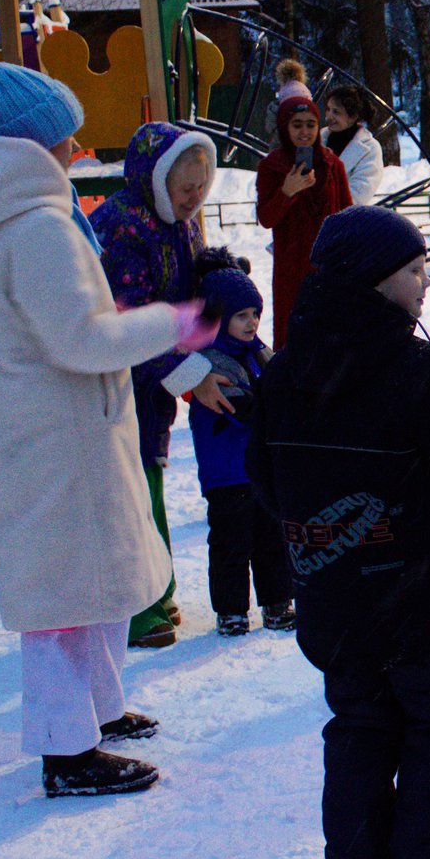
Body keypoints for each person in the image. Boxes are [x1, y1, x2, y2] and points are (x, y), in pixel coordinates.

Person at [0, 63, 216, 797]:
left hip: (53, 434)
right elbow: (81, 339)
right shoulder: (36, 227)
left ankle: (98, 711)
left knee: (94, 582)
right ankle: (66, 749)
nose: (79, 144)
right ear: (39, 144)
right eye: (67, 132)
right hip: (60, 438)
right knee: (62, 597)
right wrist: (170, 325)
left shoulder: (7, 218)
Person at [247, 206, 430, 859]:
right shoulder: (416, 365)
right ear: (372, 279)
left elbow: (264, 477)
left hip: (332, 594)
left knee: (358, 724)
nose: (426, 283)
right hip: (416, 596)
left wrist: (325, 529)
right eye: (414, 269)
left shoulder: (284, 370)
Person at [91, 121, 223, 648]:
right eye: (186, 188)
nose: (195, 198)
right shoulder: (123, 226)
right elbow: (134, 317)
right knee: (133, 488)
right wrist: (192, 375)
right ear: (155, 179)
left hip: (154, 384)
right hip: (117, 380)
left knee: (151, 479)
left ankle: (156, 589)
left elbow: (185, 290)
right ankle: (137, 604)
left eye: (202, 188)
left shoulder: (178, 221)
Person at [187, 250, 293, 638]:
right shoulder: (211, 363)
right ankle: (231, 609)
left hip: (260, 468)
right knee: (231, 544)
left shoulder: (258, 353)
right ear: (218, 319)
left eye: (255, 314)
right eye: (241, 316)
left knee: (271, 538)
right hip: (226, 471)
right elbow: (242, 408)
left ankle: (278, 600)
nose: (251, 323)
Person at [257, 88, 354, 348]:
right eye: (297, 125)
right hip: (292, 268)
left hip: (329, 267)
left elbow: (348, 215)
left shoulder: (333, 165)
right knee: (294, 338)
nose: (304, 132)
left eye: (311, 125)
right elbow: (266, 218)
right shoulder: (272, 166)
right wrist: (287, 191)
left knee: (331, 339)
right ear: (284, 127)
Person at [324, 83, 386, 207]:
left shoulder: (370, 150)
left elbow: (358, 195)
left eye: (336, 112)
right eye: (328, 109)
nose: (329, 116)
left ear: (352, 116)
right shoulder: (318, 138)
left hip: (343, 220)